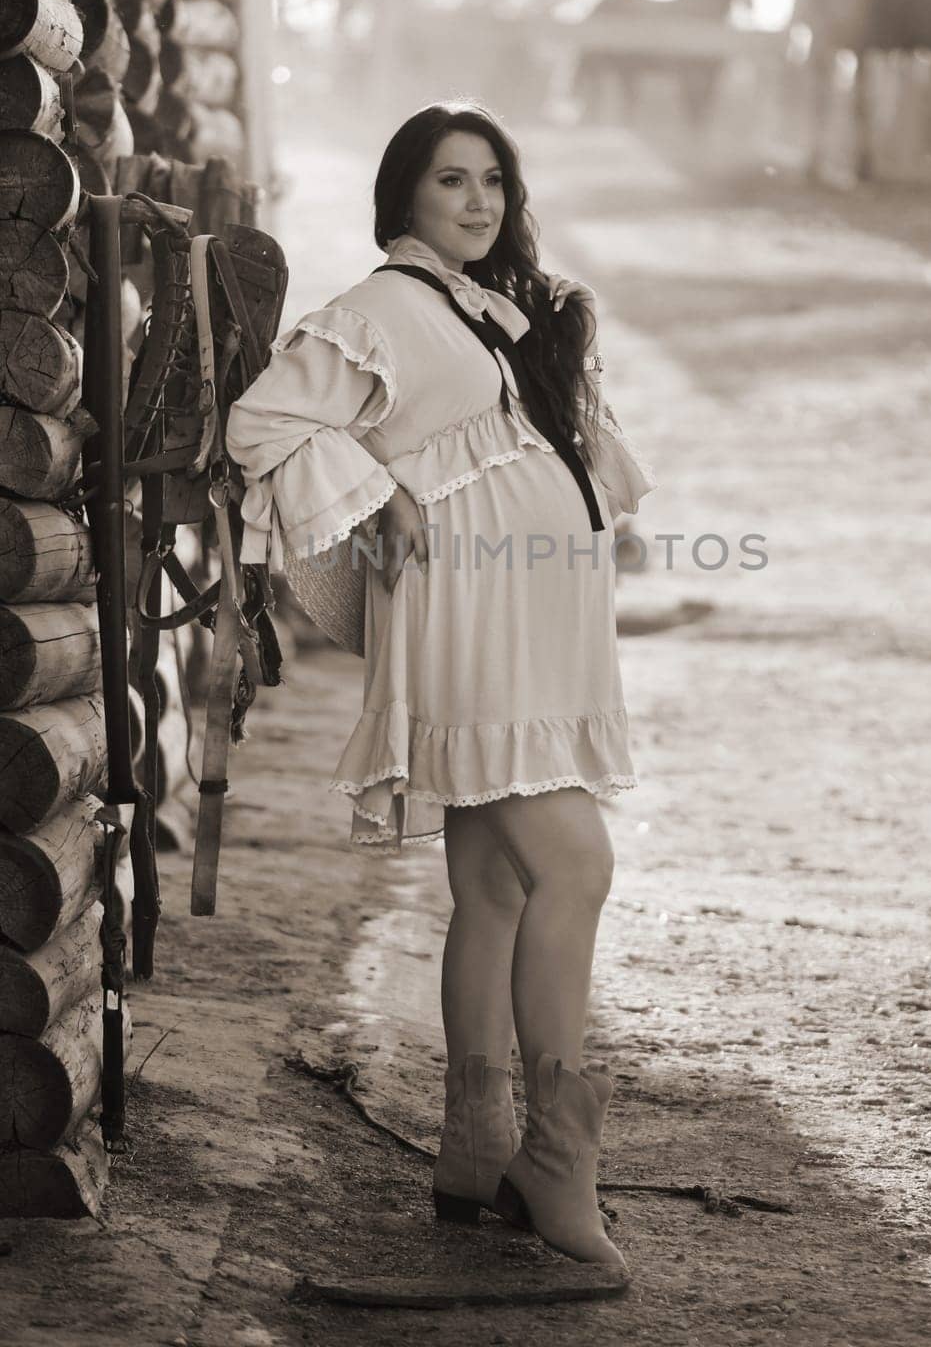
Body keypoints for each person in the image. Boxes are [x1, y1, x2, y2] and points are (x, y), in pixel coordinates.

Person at [225, 101, 656, 1270]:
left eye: (492, 184)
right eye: (451, 182)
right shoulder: (383, 307)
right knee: (578, 860)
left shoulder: (492, 313)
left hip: (528, 621)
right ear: (402, 197)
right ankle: (557, 1166)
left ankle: (475, 1148)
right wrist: (379, 491)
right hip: (471, 627)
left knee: (498, 885)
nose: (477, 203)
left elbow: (564, 456)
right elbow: (262, 420)